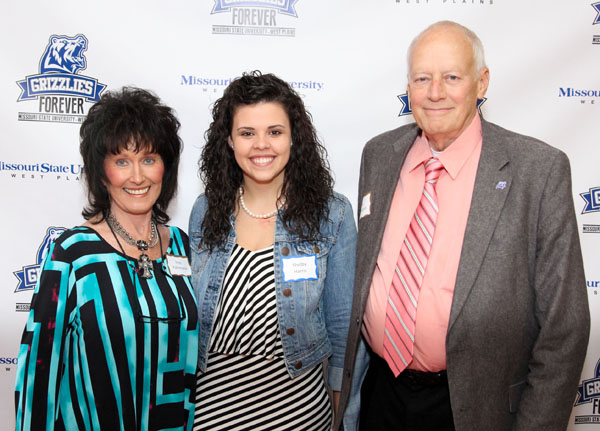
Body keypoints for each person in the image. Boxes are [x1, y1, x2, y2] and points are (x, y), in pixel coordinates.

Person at [337, 20, 590, 431]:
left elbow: (566, 327)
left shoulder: (537, 170)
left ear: (482, 82)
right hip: (382, 394)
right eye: (422, 78)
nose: (435, 92)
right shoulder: (380, 155)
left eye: (451, 77)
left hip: (475, 405)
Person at [14, 87, 199, 431]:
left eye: (148, 159)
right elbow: (39, 371)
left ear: (165, 167)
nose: (137, 177)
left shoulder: (182, 247)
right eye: (121, 161)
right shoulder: (74, 254)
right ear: (101, 172)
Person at [189, 71, 357, 431]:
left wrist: (341, 412)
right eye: (247, 133)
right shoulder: (205, 211)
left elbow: (343, 326)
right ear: (230, 142)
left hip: (299, 413)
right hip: (210, 412)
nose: (261, 145)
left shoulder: (333, 214)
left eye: (275, 132)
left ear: (294, 139)